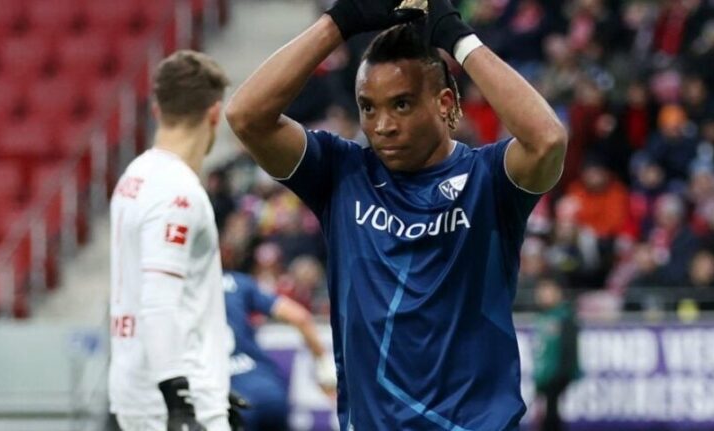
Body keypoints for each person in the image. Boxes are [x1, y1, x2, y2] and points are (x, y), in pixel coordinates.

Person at [225, 0, 567, 428]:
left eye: (401, 104)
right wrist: (340, 22)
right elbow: (246, 116)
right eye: (368, 107)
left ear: (444, 102)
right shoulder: (341, 174)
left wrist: (457, 38)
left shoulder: (490, 179)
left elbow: (548, 140)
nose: (382, 125)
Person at [109, 51, 232, 431]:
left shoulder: (134, 177)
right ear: (215, 114)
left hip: (136, 385)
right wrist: (181, 402)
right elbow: (159, 302)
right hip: (175, 399)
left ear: (156, 108)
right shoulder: (178, 193)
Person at [223, 271, 336, 431]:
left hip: (229, 396)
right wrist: (324, 369)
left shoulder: (189, 291)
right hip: (268, 389)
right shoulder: (237, 282)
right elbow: (300, 317)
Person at [532, 277, 580, 431]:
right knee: (547, 413)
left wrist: (563, 373)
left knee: (552, 413)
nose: (543, 295)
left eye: (547, 291)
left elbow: (569, 348)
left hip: (557, 374)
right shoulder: (543, 317)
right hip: (545, 374)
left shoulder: (564, 317)